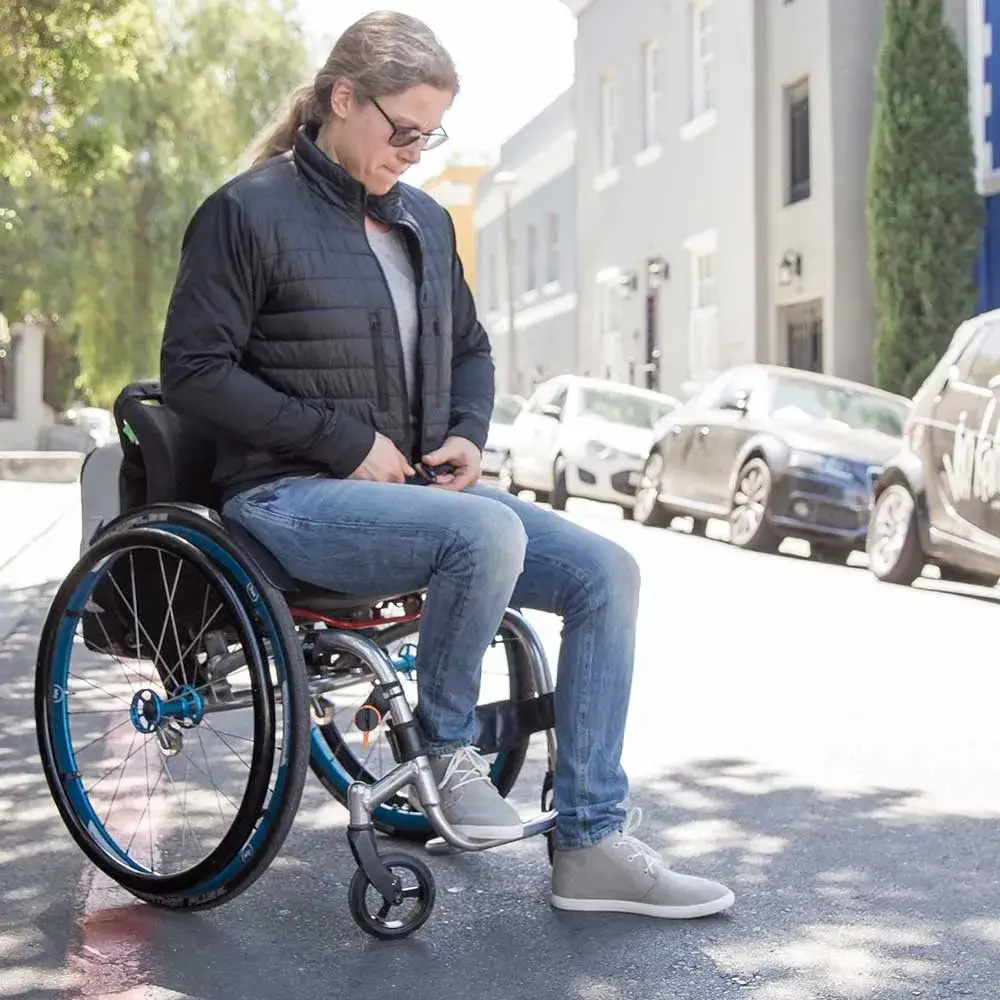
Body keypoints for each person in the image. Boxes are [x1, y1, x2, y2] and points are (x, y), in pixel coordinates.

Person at [159, 10, 734, 920]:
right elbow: (190, 372)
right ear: (343, 99)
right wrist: (343, 442)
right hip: (286, 499)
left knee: (606, 573)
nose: (417, 152)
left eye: (433, 134)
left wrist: (468, 428)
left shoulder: (423, 220)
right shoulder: (246, 211)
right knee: (485, 531)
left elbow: (470, 347)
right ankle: (443, 750)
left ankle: (589, 842)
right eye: (404, 131)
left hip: (420, 502)